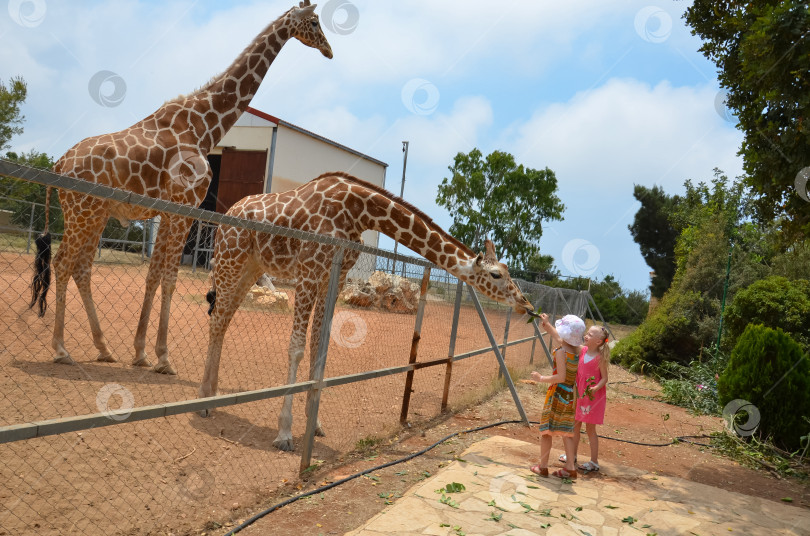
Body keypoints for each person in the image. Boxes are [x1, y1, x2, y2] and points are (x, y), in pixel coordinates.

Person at [529, 313, 586, 479]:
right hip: (571, 394)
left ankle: (543, 467)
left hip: (557, 393)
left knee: (547, 431)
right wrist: (546, 325)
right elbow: (559, 337)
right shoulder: (580, 350)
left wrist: (541, 379)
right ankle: (570, 468)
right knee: (567, 431)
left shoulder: (561, 352)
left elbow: (560, 377)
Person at [566, 325, 611, 473]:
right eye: (587, 333)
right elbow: (568, 342)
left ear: (598, 341)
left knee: (591, 429)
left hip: (593, 399)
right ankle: (572, 456)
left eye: (590, 335)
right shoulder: (583, 350)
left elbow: (604, 378)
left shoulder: (600, 358)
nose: (586, 335)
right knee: (575, 426)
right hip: (580, 396)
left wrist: (595, 388)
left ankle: (594, 462)